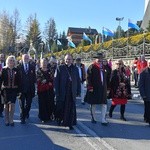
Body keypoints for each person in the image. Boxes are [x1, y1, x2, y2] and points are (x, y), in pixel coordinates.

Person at [54, 54, 81, 130]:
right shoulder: (60, 68)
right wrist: (56, 92)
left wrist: (78, 91)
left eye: (69, 59)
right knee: (61, 107)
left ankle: (70, 123)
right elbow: (56, 81)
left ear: (72, 60)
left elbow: (78, 80)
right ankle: (59, 120)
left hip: (71, 92)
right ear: (64, 60)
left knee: (71, 108)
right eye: (66, 59)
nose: (68, 61)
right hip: (62, 91)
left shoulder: (75, 69)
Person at [84, 53, 108, 125]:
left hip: (103, 88)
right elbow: (88, 78)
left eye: (101, 58)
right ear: (95, 59)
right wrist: (90, 87)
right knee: (93, 103)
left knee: (104, 104)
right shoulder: (92, 67)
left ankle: (103, 119)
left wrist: (108, 88)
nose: (100, 60)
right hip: (94, 88)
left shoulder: (104, 67)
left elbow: (107, 78)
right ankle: (93, 117)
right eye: (98, 58)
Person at [0, 55, 20, 126]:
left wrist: (19, 90)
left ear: (14, 62)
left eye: (12, 60)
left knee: (12, 105)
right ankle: (6, 119)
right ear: (7, 61)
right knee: (6, 105)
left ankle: (11, 119)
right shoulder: (4, 70)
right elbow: (0, 80)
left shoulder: (16, 70)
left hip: (14, 90)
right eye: (10, 60)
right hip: (5, 90)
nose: (11, 61)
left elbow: (19, 80)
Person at [17, 54, 36, 124]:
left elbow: (34, 77)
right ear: (22, 58)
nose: (26, 59)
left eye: (27, 58)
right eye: (24, 58)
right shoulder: (18, 67)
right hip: (21, 90)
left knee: (29, 104)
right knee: (22, 105)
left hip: (30, 89)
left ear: (29, 59)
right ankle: (22, 118)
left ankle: (26, 113)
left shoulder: (32, 67)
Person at [37, 58, 54, 123]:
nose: (44, 63)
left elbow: (52, 79)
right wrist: (47, 81)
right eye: (42, 62)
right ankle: (43, 117)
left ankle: (49, 116)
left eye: (45, 62)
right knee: (42, 104)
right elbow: (39, 80)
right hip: (41, 91)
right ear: (40, 63)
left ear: (47, 63)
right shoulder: (38, 71)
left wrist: (46, 81)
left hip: (49, 90)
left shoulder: (50, 70)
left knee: (50, 103)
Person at [138, 60, 150, 126]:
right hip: (147, 94)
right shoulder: (143, 72)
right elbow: (141, 84)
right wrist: (143, 94)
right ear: (147, 64)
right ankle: (147, 118)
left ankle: (146, 117)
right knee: (147, 107)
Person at [0, 53, 5, 117]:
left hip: (4, 84)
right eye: (0, 57)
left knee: (3, 99)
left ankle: (1, 111)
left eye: (2, 57)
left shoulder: (6, 64)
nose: (1, 58)